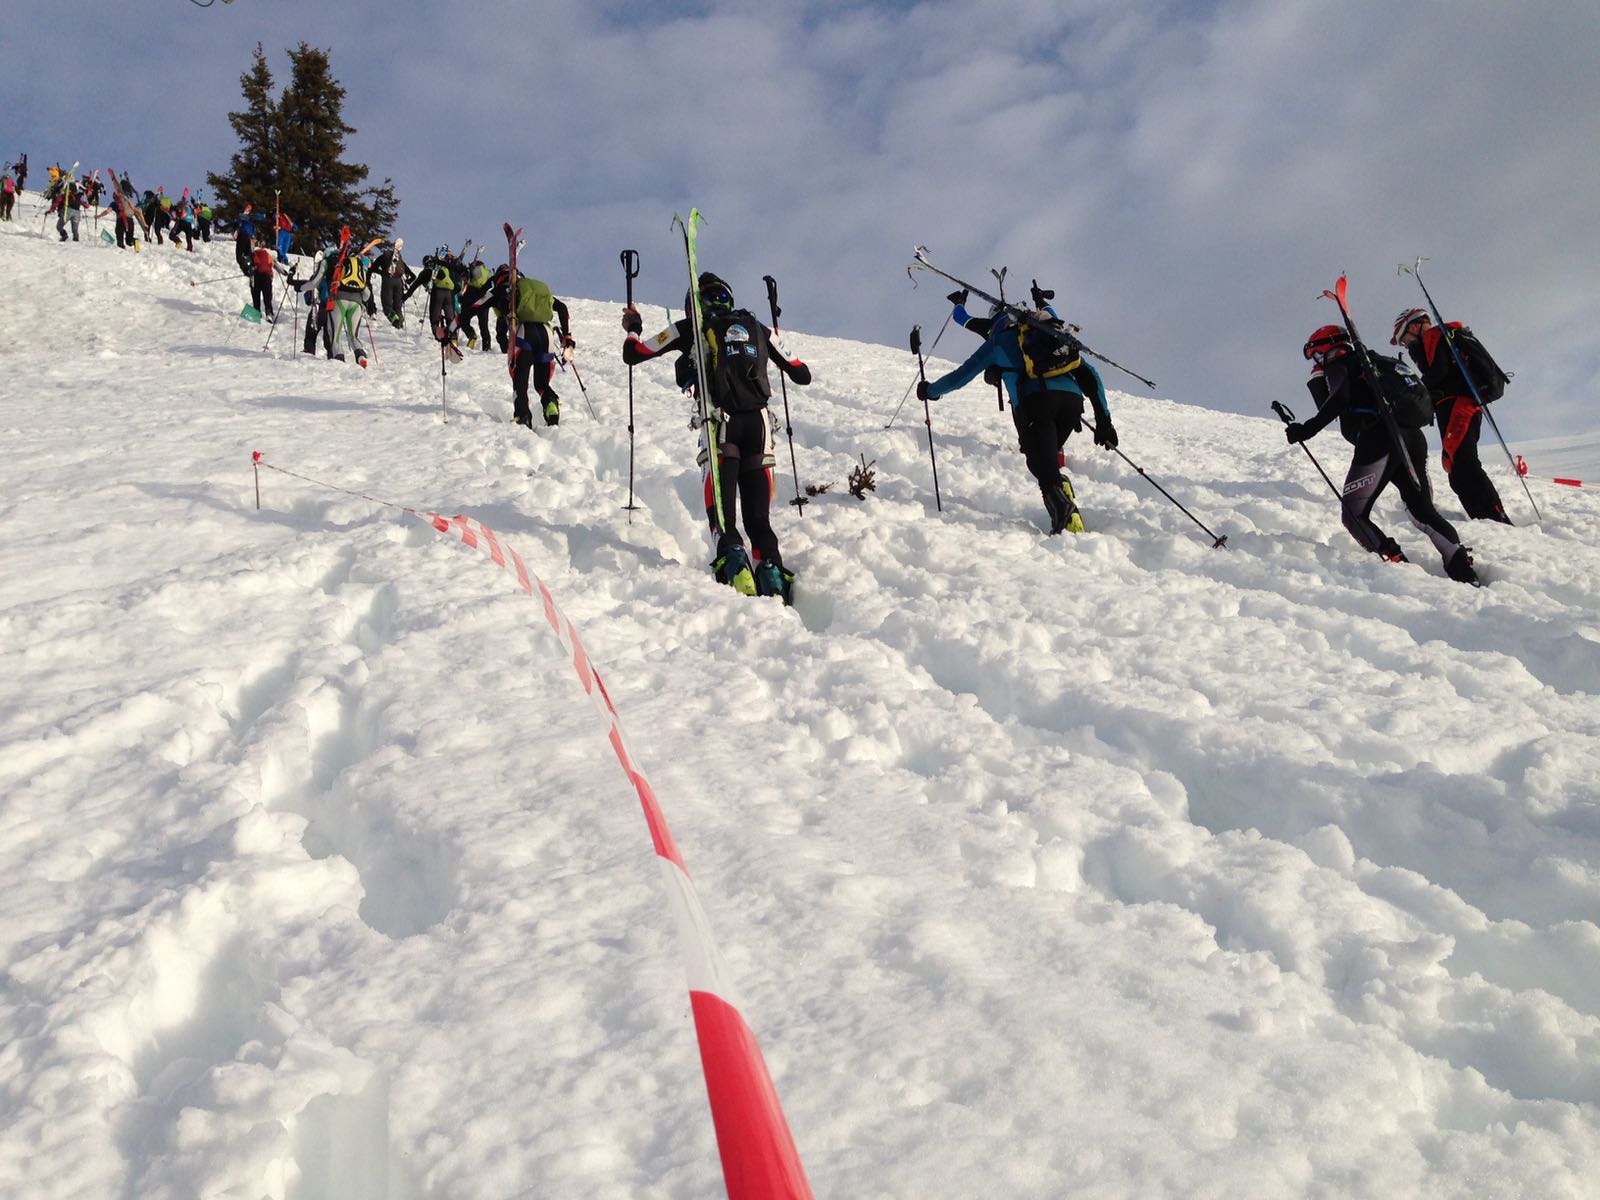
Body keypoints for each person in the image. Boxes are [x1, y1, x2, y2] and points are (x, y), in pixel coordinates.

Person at [622, 272, 813, 600]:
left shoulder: (690, 328)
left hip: (719, 425)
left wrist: (633, 326)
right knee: (759, 521)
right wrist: (774, 341)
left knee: (723, 519)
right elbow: (802, 374)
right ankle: (773, 577)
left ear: (695, 305)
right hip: (760, 427)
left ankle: (736, 574)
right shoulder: (756, 328)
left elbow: (634, 354)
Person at [1284, 325, 1480, 585]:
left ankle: (1401, 571)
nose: (1316, 363)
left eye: (1316, 356)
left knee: (1354, 514)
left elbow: (1338, 400)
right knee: (1422, 511)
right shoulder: (1372, 363)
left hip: (1379, 439)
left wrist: (1305, 430)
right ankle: (1463, 570)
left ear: (1325, 348)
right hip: (1412, 436)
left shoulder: (1341, 363)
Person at [917, 294, 1116, 535]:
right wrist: (1104, 421)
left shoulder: (998, 340)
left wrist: (930, 391)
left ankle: (1065, 516)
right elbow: (1090, 374)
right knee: (1047, 456)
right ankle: (1061, 486)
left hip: (1034, 404)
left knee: (1037, 462)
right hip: (1073, 403)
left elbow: (961, 375)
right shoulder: (1050, 332)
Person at [1391, 308, 1511, 524]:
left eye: (1404, 339)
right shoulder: (1439, 339)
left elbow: (1440, 371)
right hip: (1457, 405)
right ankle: (1485, 518)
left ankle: (1495, 518)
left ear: (1414, 327)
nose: (1406, 346)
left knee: (1463, 462)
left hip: (1458, 406)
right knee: (1455, 465)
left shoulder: (1434, 335)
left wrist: (1415, 392)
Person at [493, 265, 572, 426]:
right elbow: (562, 307)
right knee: (542, 384)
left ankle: (523, 416)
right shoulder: (530, 290)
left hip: (524, 334)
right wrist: (567, 335)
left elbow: (480, 308)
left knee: (520, 382)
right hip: (546, 335)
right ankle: (551, 406)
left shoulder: (503, 291)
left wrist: (504, 344)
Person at [326, 249, 376, 367]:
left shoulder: (341, 265)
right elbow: (367, 295)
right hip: (356, 304)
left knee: (336, 335)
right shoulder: (360, 270)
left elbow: (333, 283)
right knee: (353, 336)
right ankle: (361, 356)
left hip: (339, 301)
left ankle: (339, 360)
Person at [371, 238, 413, 328]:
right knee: (397, 306)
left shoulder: (383, 257)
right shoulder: (399, 259)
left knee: (387, 307)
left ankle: (396, 322)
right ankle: (400, 324)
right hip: (399, 282)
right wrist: (408, 282)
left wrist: (382, 273)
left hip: (388, 281)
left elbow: (372, 268)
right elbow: (412, 275)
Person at [233, 204, 259, 275]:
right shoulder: (250, 218)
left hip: (243, 237)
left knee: (240, 256)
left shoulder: (243, 216)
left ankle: (247, 271)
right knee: (248, 255)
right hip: (248, 237)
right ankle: (251, 270)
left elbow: (237, 225)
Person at [55, 177, 81, 242]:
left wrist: (51, 210)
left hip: (67, 211)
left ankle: (64, 235)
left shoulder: (65, 195)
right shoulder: (77, 196)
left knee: (59, 226)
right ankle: (76, 240)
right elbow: (85, 205)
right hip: (77, 213)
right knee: (75, 230)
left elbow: (57, 202)